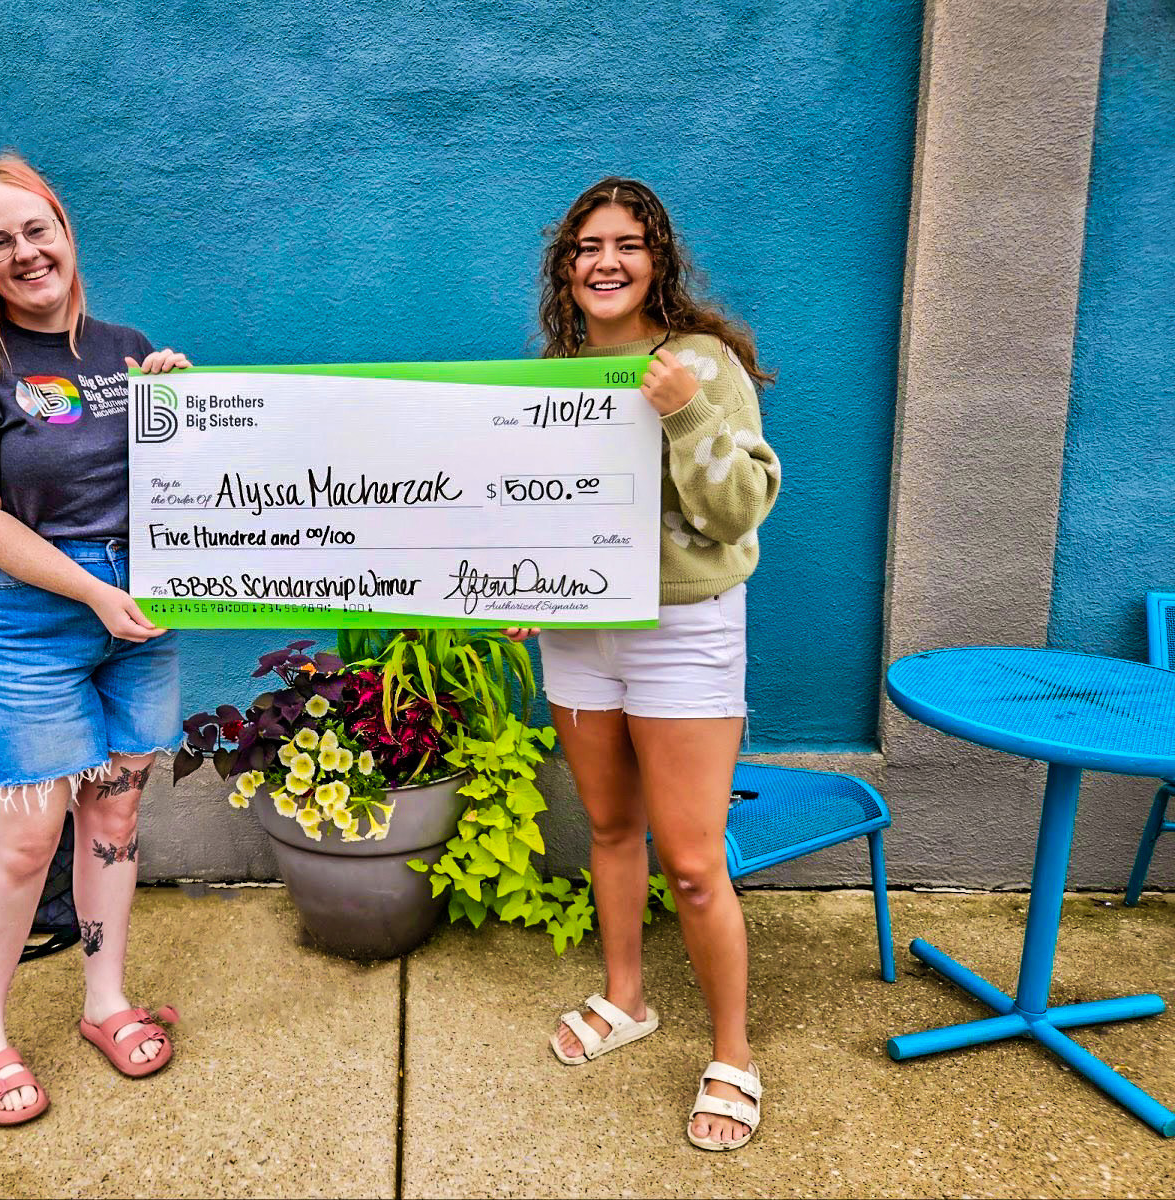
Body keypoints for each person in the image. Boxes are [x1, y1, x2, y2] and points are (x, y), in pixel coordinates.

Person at [0, 154, 191, 1126]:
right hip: (26, 618)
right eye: (1, 240)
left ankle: (104, 1003)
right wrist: (90, 591)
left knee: (112, 818)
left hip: (143, 617)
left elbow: (189, 485)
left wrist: (189, 408)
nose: (26, 251)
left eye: (38, 230)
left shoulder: (126, 348)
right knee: (28, 835)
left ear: (66, 233)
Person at [508, 177, 780, 1152]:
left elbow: (739, 510)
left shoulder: (700, 362)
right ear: (565, 265)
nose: (605, 261)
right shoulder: (559, 373)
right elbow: (540, 510)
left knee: (696, 864)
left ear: (656, 258)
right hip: (583, 635)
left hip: (685, 633)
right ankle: (627, 998)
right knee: (613, 830)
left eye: (626, 243)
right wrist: (521, 590)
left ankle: (734, 1054)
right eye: (586, 246)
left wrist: (686, 414)